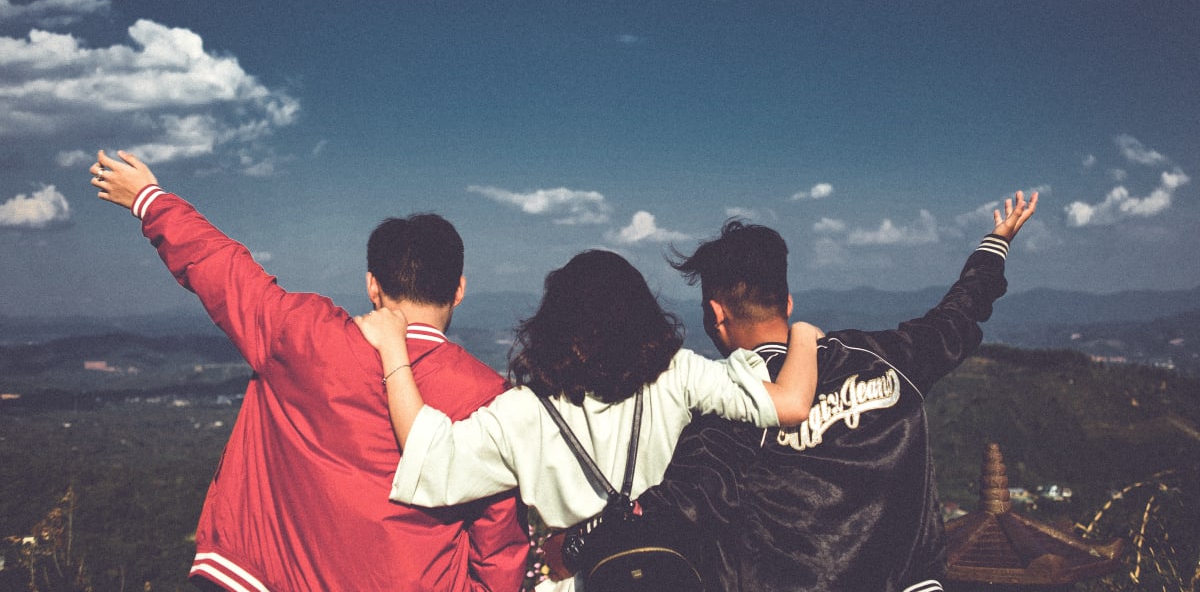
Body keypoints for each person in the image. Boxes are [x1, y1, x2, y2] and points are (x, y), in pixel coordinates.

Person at [89, 150, 528, 592]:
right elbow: (498, 547)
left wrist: (148, 198)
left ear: (372, 285)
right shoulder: (491, 400)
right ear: (459, 290)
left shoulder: (301, 335)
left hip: (255, 578)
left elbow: (220, 266)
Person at [634, 190, 1038, 592]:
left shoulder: (729, 406)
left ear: (713, 314)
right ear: (787, 304)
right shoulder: (886, 359)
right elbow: (959, 313)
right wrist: (996, 243)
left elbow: (677, 514)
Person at [355, 249, 823, 589]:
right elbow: (790, 404)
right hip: (672, 574)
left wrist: (394, 347)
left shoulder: (523, 412)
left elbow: (430, 460)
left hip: (581, 578)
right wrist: (801, 330)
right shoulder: (679, 374)